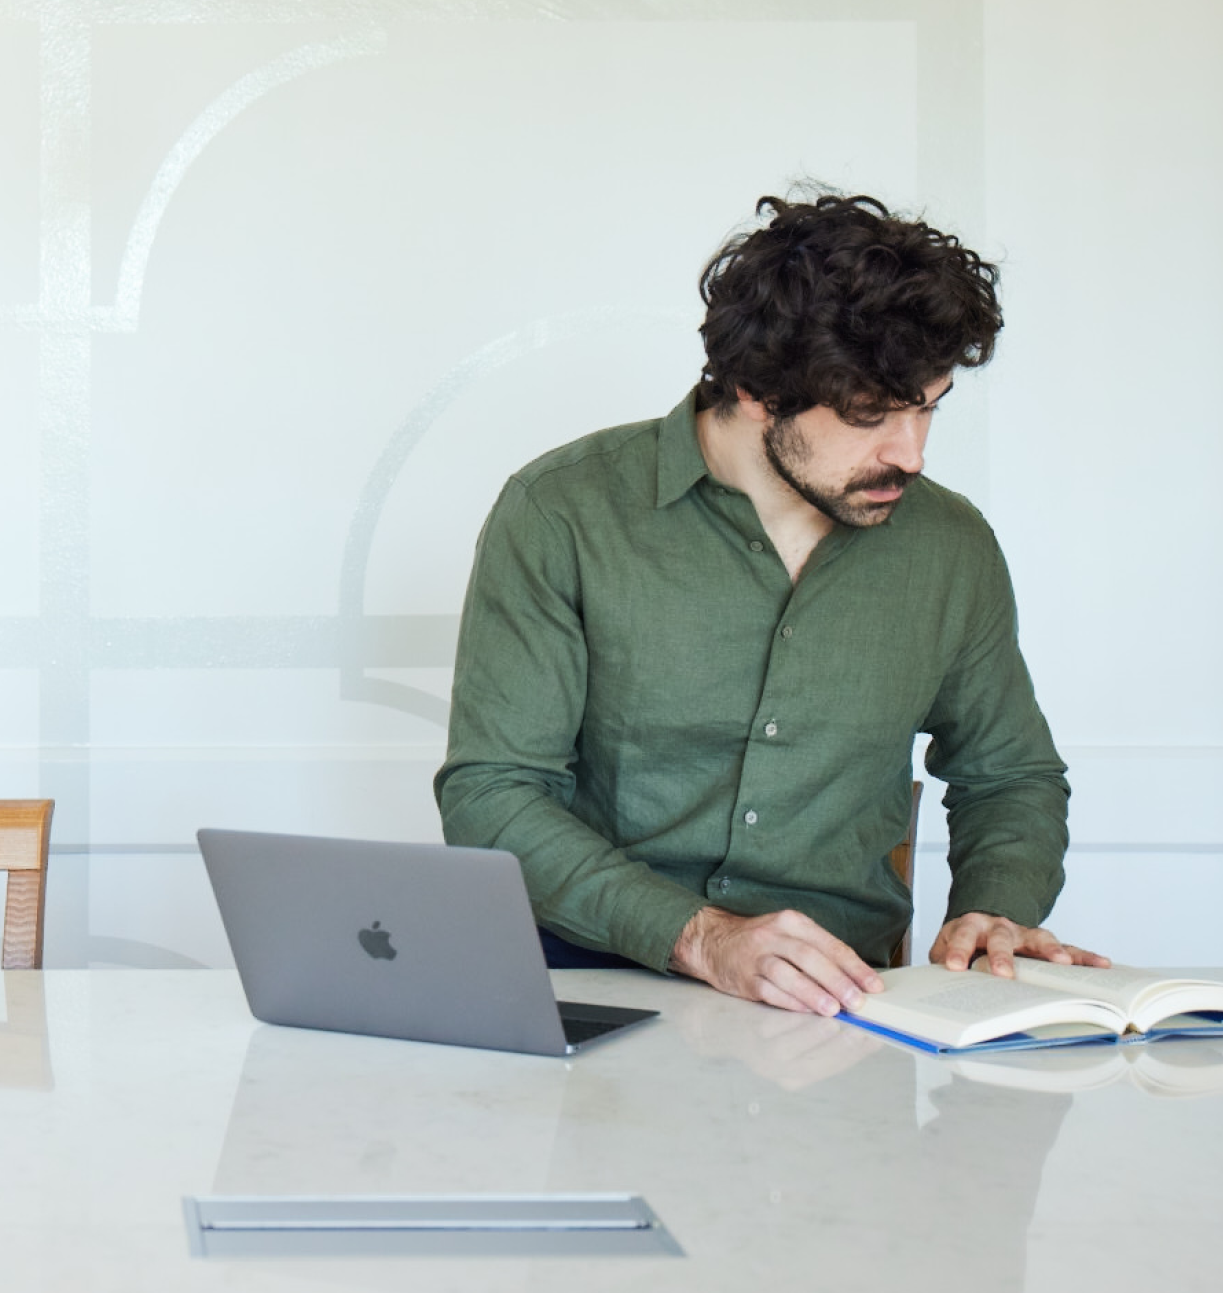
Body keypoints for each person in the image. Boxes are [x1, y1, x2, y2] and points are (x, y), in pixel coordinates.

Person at [435, 191, 1107, 1018]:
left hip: (845, 1007)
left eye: (929, 407)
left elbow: (1008, 774)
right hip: (589, 979)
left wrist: (994, 910)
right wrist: (703, 937)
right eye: (871, 416)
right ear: (756, 389)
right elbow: (493, 792)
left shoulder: (949, 545)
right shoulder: (563, 512)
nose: (913, 453)